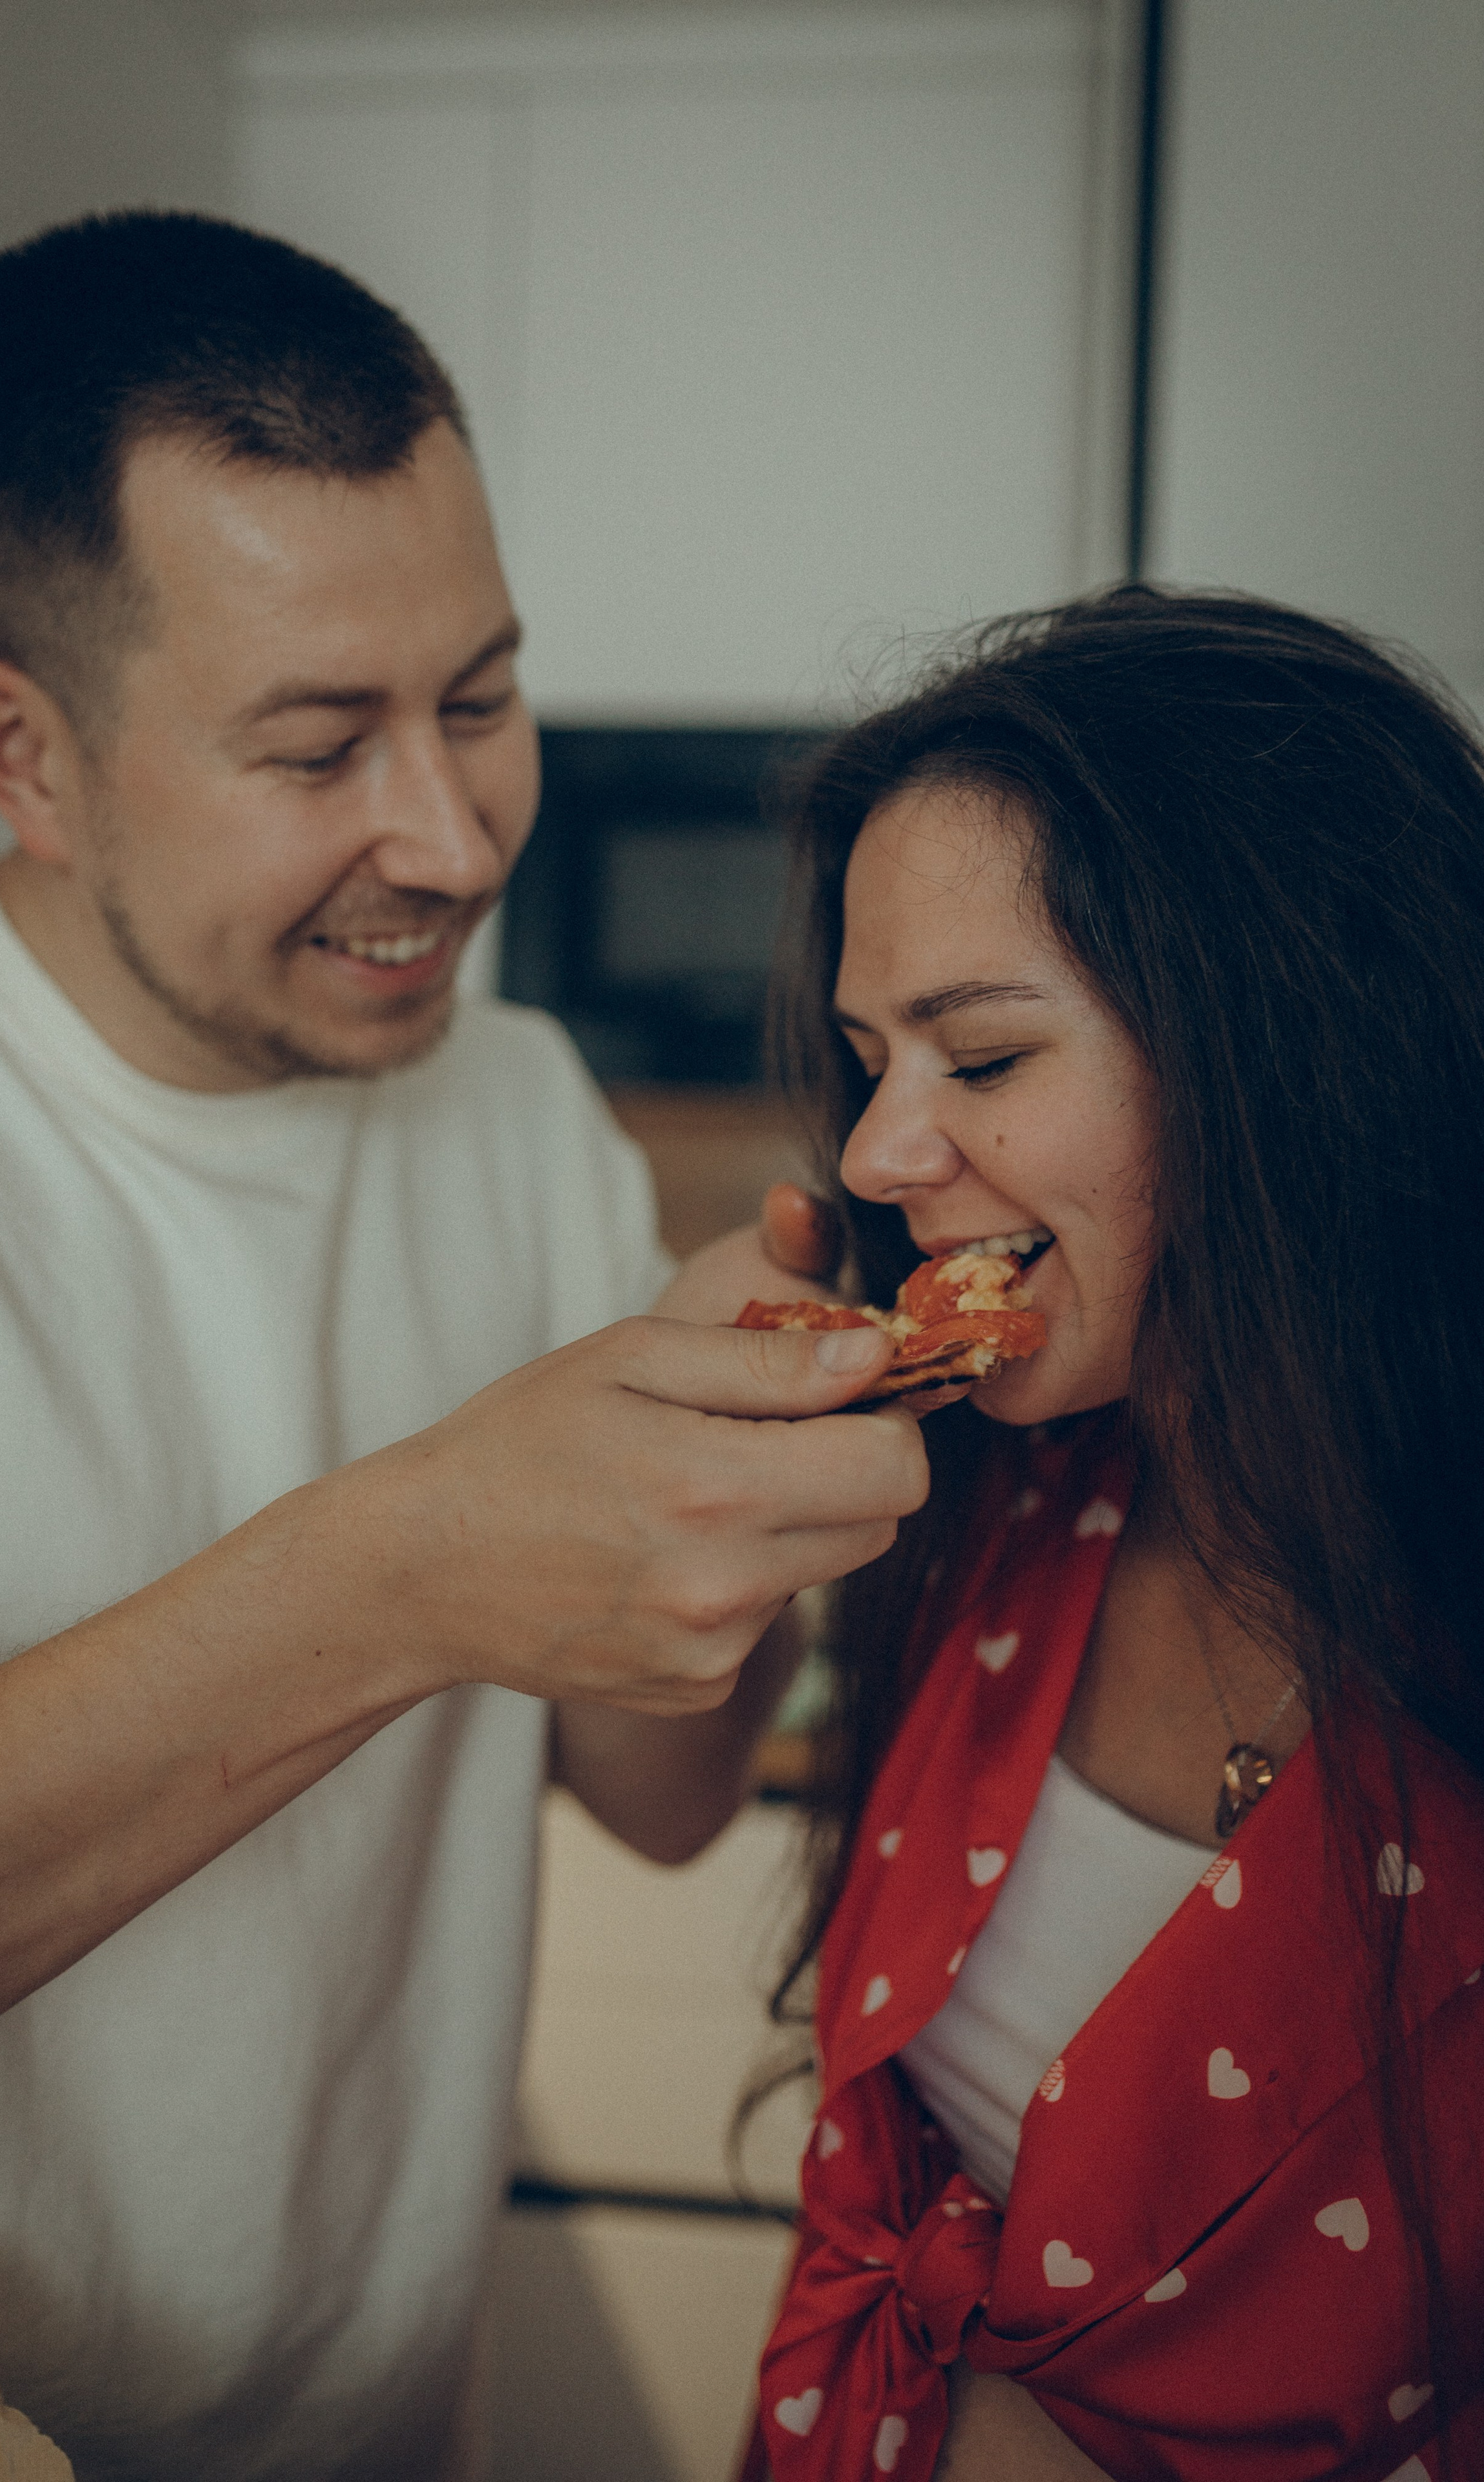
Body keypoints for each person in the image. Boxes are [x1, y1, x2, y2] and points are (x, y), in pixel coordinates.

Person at [0, 211, 926, 2481]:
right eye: (321, 744)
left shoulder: (511, 1101)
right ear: (22, 752)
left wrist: (716, 1479)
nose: (450, 831)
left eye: (484, 696)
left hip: (376, 2419)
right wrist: (412, 1563)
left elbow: (662, 1800)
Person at [730, 588, 1484, 2480]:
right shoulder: (995, 1504)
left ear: (1294, 1063)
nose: (887, 1154)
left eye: (979, 1061)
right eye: (869, 1055)